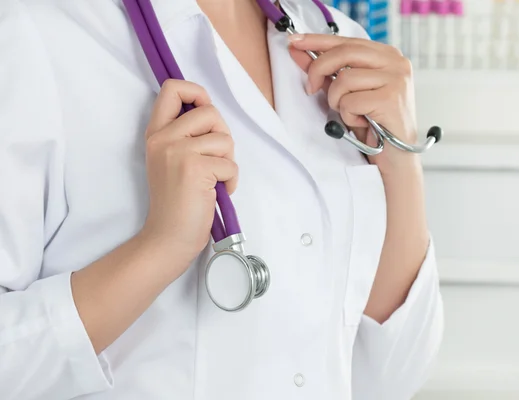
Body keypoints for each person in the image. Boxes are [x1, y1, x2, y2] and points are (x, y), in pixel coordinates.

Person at [0, 0, 443, 399]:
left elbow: (389, 374)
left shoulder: (336, 40)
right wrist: (161, 248)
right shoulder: (31, 32)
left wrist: (400, 157)